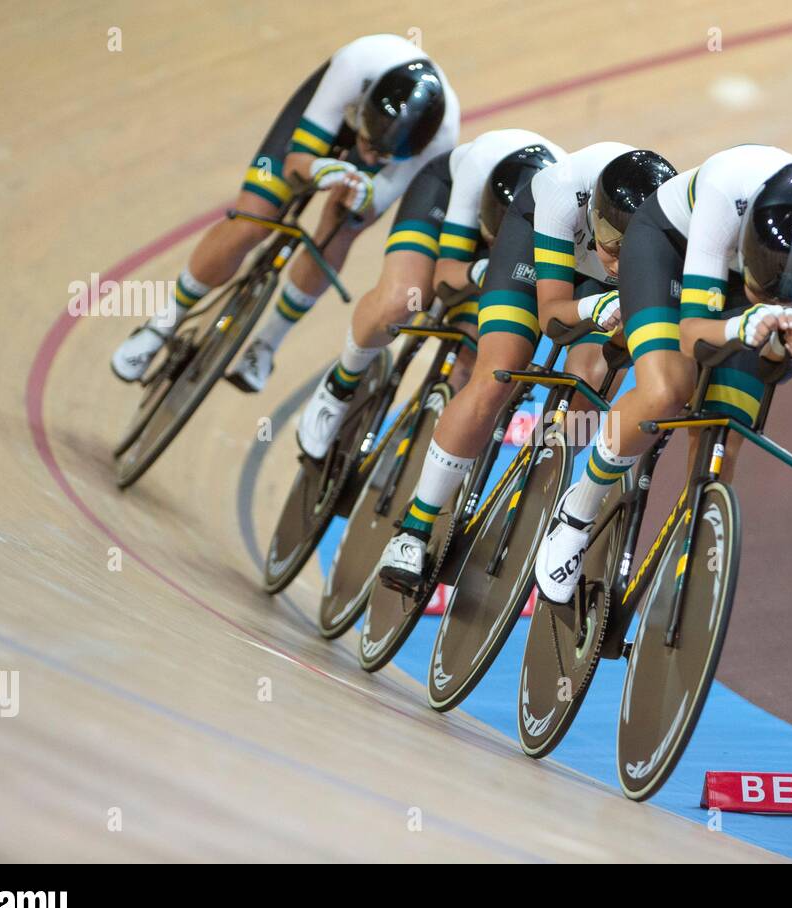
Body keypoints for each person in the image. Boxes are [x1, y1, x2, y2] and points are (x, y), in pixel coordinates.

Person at [534, 145, 792, 603]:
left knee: (725, 429)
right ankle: (576, 512)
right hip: (670, 244)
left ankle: (689, 560)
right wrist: (742, 324)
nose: (765, 300)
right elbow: (692, 335)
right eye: (759, 290)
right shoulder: (724, 186)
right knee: (667, 390)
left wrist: (783, 350)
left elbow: (777, 368)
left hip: (743, 280)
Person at [376, 144, 678, 592]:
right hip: (536, 250)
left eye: (628, 253)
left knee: (592, 381)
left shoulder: (673, 228)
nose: (614, 259)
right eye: (611, 243)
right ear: (594, 215)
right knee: (499, 372)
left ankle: (540, 483)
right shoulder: (563, 192)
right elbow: (552, 317)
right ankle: (414, 529)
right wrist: (596, 304)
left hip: (597, 285)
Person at [110, 34, 458, 388]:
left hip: (388, 142)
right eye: (368, 146)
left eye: (380, 155)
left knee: (342, 225)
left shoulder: (439, 140)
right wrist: (318, 169)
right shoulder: (357, 65)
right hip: (336, 111)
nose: (369, 158)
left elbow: (369, 203)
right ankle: (162, 324)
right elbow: (296, 162)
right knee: (254, 220)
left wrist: (359, 193)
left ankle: (266, 343)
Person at [295, 134, 564, 457]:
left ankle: (423, 447)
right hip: (444, 196)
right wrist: (475, 272)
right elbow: (445, 278)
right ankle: (339, 385)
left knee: (480, 362)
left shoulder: (558, 214)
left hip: (522, 237)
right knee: (404, 298)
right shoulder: (476, 168)